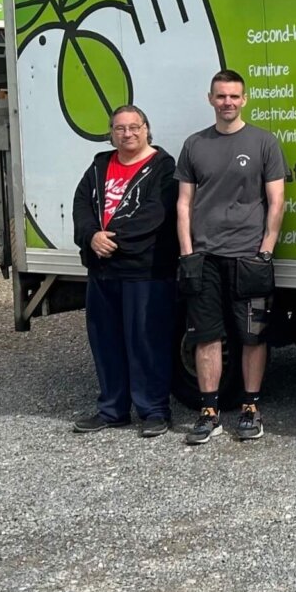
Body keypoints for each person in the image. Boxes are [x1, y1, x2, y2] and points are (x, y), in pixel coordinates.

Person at [175, 69, 286, 446]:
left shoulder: (263, 143)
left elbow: (276, 201)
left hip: (248, 258)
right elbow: (184, 203)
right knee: (206, 336)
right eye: (221, 96)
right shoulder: (194, 145)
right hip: (203, 258)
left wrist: (266, 249)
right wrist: (188, 252)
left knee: (253, 336)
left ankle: (250, 407)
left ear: (244, 99)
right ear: (210, 99)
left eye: (234, 96)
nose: (228, 103)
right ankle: (209, 411)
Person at [70, 106, 179, 436]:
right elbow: (81, 204)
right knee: (106, 342)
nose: (127, 134)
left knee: (147, 341)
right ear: (111, 132)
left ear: (147, 129)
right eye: (120, 128)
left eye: (134, 127)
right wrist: (91, 236)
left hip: (144, 271)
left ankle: (154, 410)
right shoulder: (100, 164)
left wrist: (111, 241)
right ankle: (112, 409)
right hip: (102, 270)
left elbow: (155, 215)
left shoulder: (163, 167)